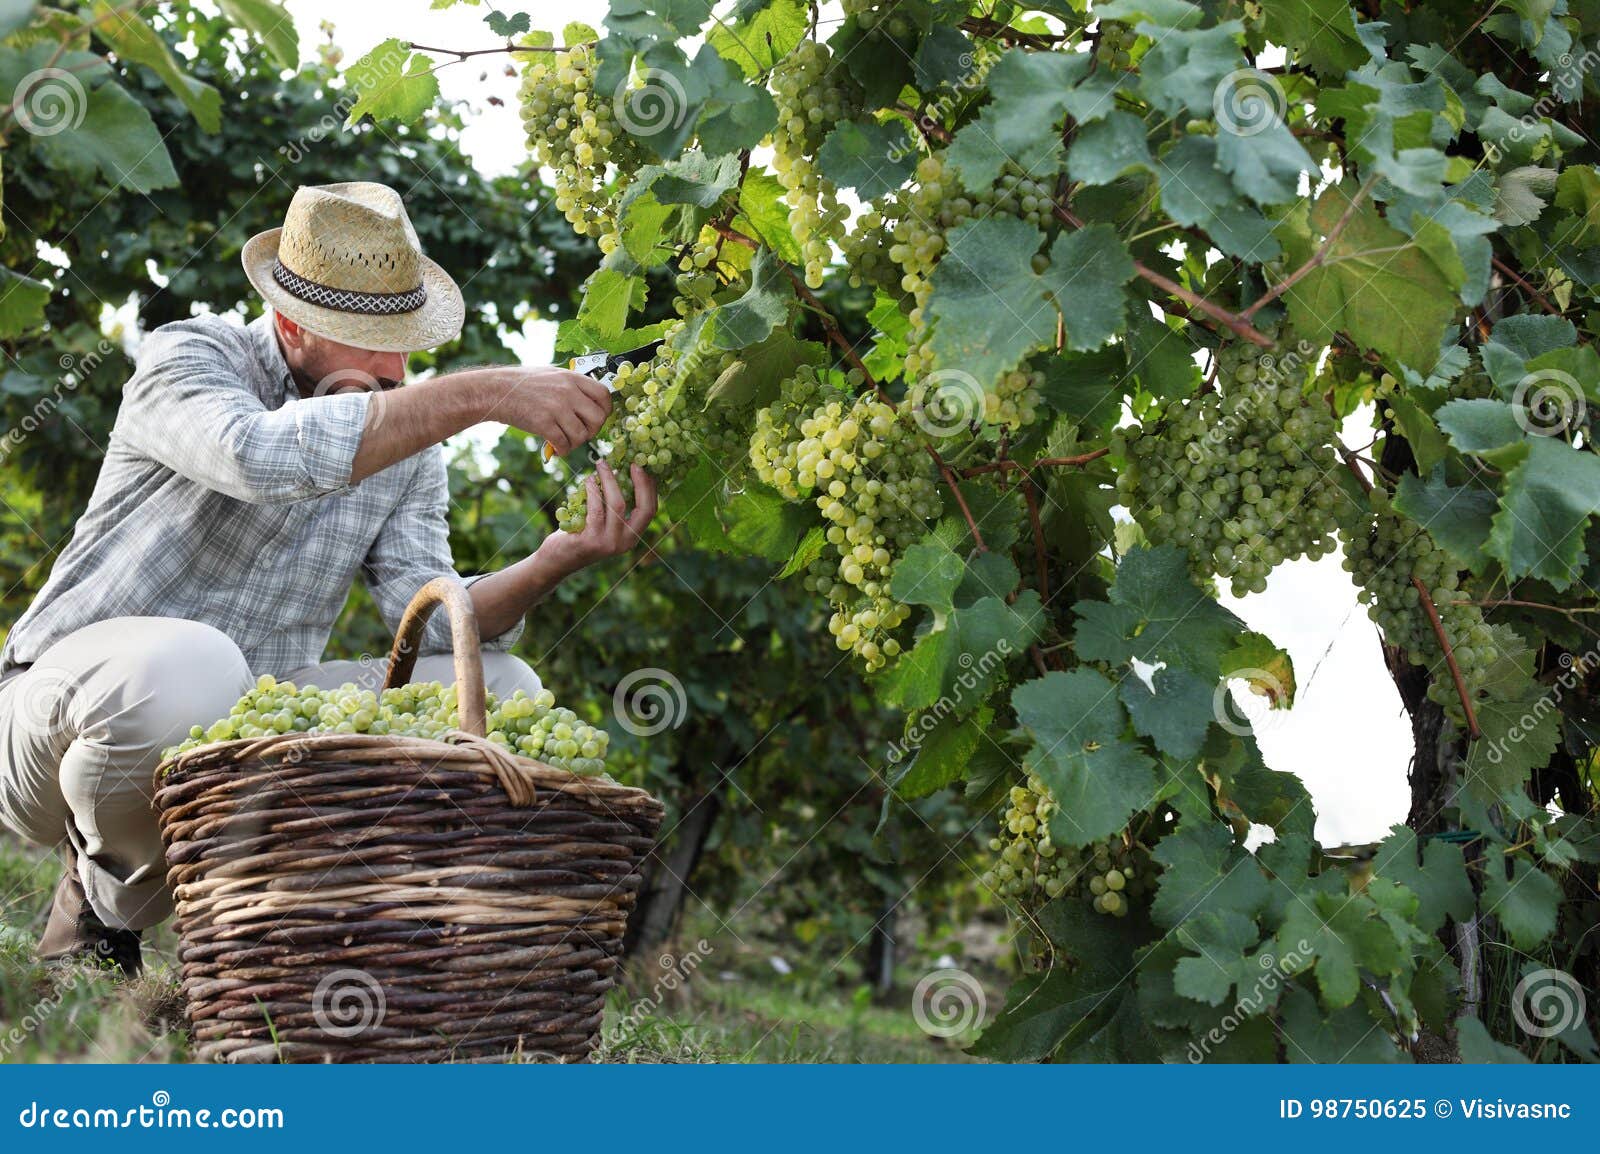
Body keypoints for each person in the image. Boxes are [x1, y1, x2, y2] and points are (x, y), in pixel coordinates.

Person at [0, 182, 655, 975]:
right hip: (59, 719)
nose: (392, 367)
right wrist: (492, 392)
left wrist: (557, 558)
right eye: (366, 338)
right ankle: (104, 909)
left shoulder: (410, 449)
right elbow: (260, 456)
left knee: (505, 684)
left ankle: (349, 944)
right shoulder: (191, 356)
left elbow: (439, 623)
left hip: (236, 743)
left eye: (403, 339)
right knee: (192, 667)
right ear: (288, 323)